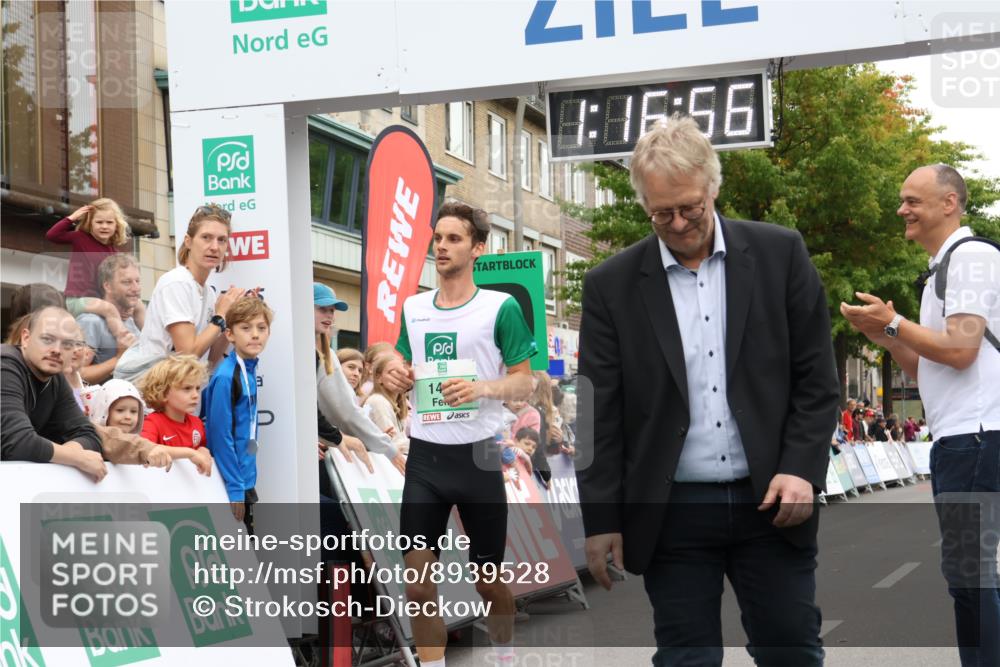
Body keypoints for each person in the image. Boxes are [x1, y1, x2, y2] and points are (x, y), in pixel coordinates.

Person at [577, 115, 839, 667]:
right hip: (670, 510)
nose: (677, 223)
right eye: (660, 212)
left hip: (771, 501)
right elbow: (596, 414)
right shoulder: (610, 286)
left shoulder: (780, 255)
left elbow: (817, 378)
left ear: (713, 189)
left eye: (691, 207)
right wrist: (601, 519)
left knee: (791, 650)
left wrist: (801, 468)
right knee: (685, 659)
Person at [840, 163, 999, 667]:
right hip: (962, 438)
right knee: (967, 579)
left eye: (913, 200)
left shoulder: (970, 259)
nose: (901, 210)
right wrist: (881, 333)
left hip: (977, 436)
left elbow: (961, 349)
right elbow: (926, 367)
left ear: (949, 203)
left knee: (975, 578)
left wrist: (895, 321)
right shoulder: (942, 272)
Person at [392, 201, 538, 667]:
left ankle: (505, 654)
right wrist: (395, 374)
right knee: (417, 583)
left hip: (477, 458)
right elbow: (399, 363)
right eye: (438, 238)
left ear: (478, 248)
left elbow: (524, 380)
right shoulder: (414, 308)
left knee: (488, 579)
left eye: (454, 239)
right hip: (426, 459)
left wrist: (482, 386)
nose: (442, 246)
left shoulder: (501, 307)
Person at [115, 204, 246, 384]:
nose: (214, 247)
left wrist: (230, 318)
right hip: (154, 397)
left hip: (182, 396)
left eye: (221, 240)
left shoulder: (208, 293)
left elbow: (209, 361)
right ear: (188, 241)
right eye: (206, 237)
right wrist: (220, 316)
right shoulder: (177, 282)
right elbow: (188, 354)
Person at [0, 306, 106, 481]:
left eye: (67, 344)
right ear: (25, 338)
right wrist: (77, 458)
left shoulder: (55, 379)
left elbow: (89, 435)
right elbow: (17, 441)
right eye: (47, 339)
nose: (57, 350)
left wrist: (71, 451)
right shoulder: (5, 366)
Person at [313, 283, 401, 480]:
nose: (329, 316)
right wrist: (387, 447)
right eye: (322, 309)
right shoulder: (317, 355)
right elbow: (345, 412)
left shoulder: (323, 355)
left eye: (332, 310)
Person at [203, 296, 273, 531]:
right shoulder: (226, 376)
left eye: (261, 328)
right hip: (230, 483)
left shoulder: (249, 368)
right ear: (230, 334)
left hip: (243, 479)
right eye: (246, 328)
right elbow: (220, 436)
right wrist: (235, 488)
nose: (255, 334)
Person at [45, 199, 144, 339]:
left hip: (101, 300)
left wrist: (128, 306)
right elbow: (52, 235)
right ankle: (124, 340)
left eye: (109, 222)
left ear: (116, 225)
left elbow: (114, 286)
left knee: (138, 304)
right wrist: (71, 218)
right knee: (109, 309)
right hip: (78, 299)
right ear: (90, 223)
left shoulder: (113, 252)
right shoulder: (80, 238)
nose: (104, 226)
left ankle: (149, 338)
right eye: (99, 222)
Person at [139, 355, 214, 474]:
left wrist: (203, 450)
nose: (195, 395)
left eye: (197, 388)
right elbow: (145, 449)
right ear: (163, 393)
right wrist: (190, 453)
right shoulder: (152, 422)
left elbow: (201, 449)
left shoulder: (197, 423)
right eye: (187, 388)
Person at [80, 379, 173, 470]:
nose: (128, 417)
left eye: (133, 411)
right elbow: (115, 443)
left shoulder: (139, 441)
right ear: (104, 410)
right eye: (120, 410)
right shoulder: (93, 439)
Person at [78, 254, 142, 384]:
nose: (136, 288)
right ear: (107, 286)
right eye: (127, 282)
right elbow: (78, 374)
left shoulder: (133, 321)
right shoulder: (91, 322)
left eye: (138, 281)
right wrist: (118, 359)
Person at [363, 354, 411, 456]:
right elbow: (395, 444)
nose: (398, 377)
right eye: (392, 372)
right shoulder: (378, 401)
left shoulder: (398, 404)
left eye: (401, 372)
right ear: (379, 378)